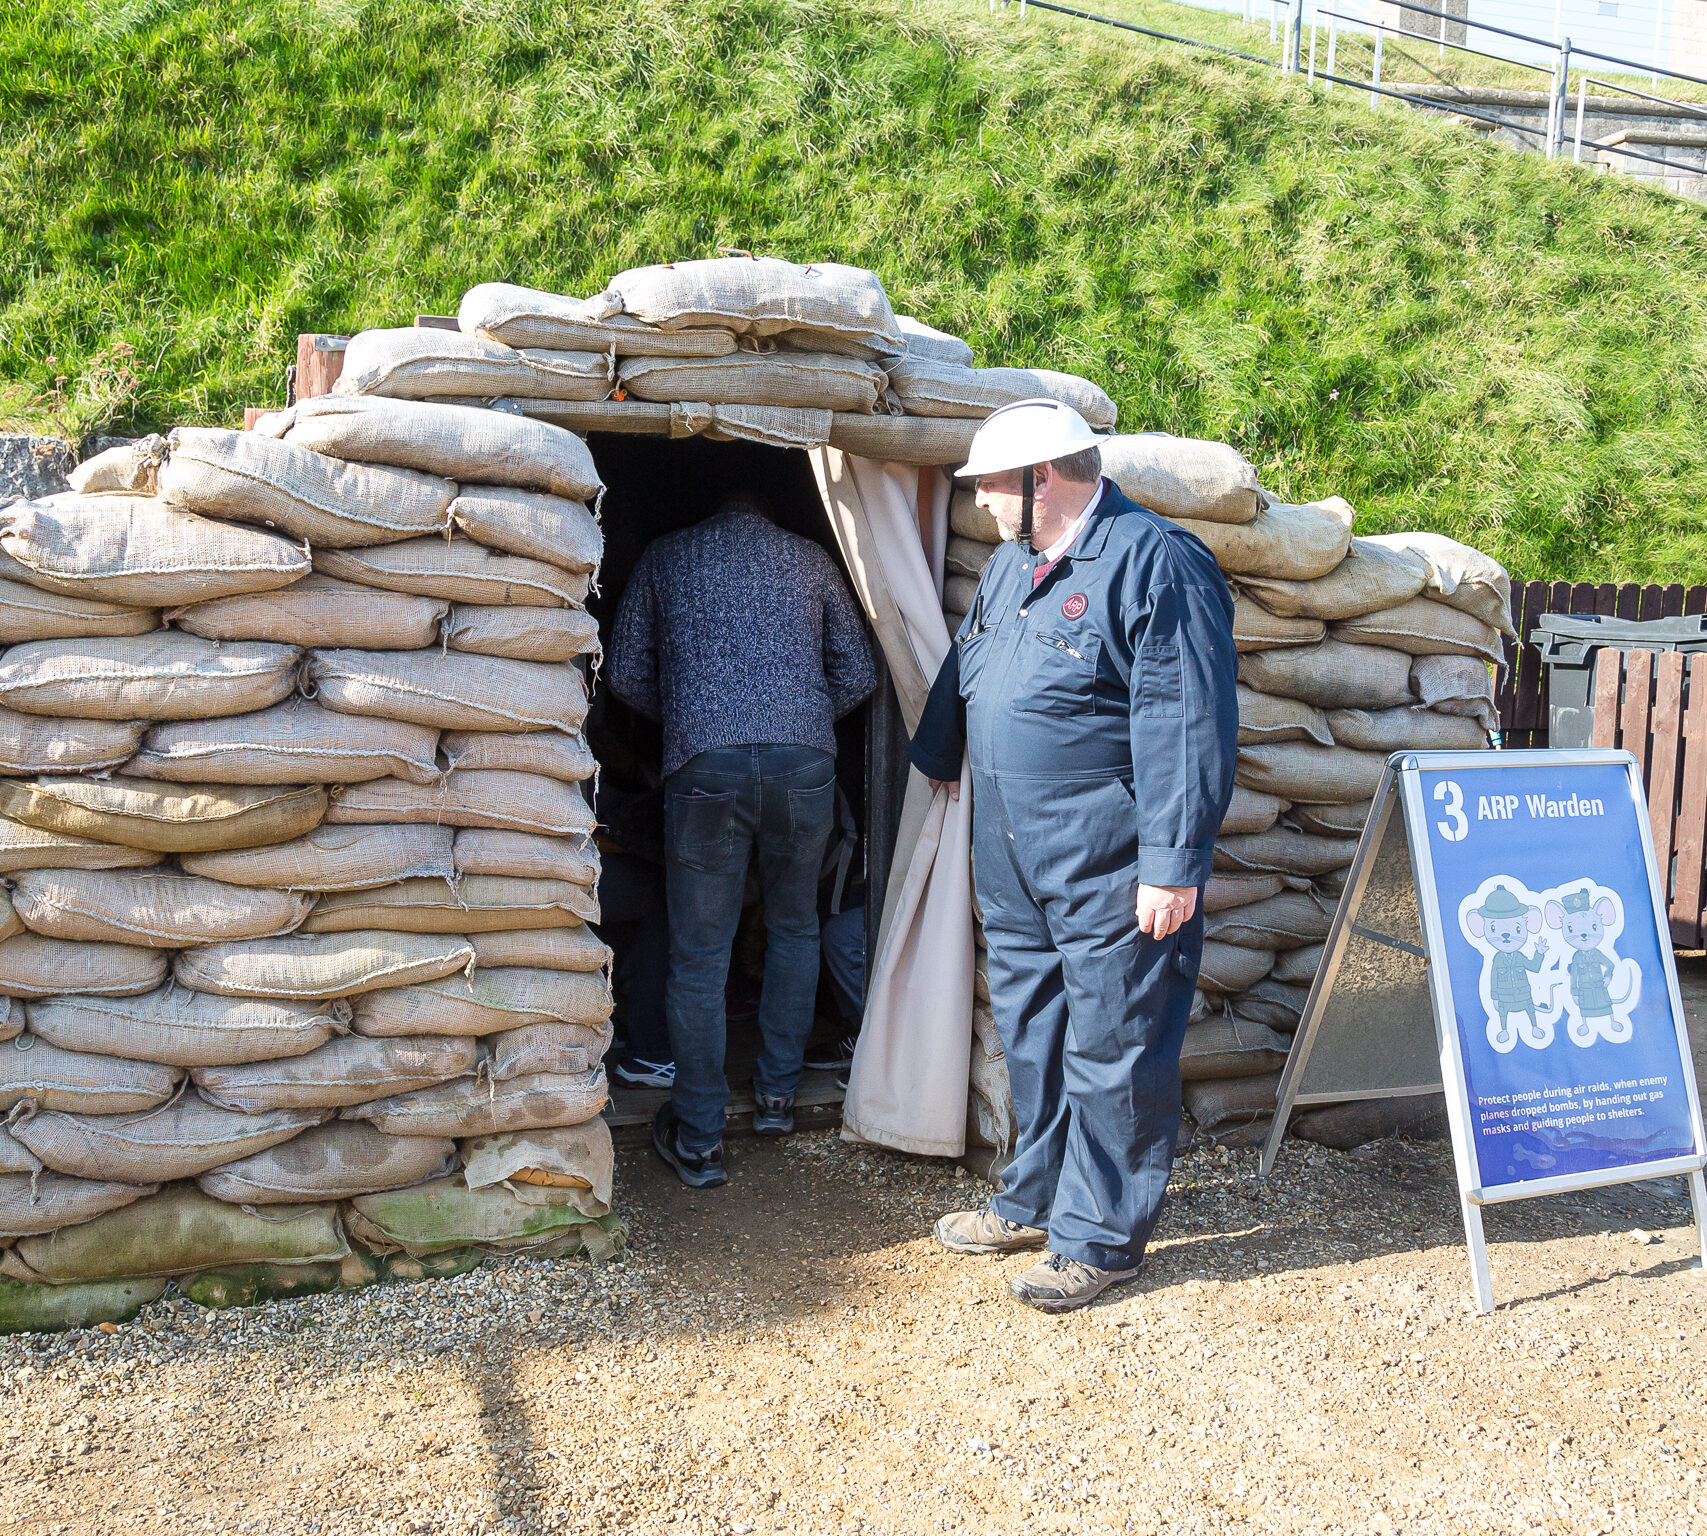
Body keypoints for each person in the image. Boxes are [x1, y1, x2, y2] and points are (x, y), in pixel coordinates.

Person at [910, 399, 1238, 1312]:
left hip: (1108, 852)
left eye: (987, 489)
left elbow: (1183, 720)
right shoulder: (1016, 565)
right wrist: (940, 755)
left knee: (1115, 1040)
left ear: (1039, 480)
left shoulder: (1152, 562)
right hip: (1014, 850)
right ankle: (1034, 1196)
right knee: (1033, 1029)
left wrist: (1172, 864)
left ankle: (1100, 1238)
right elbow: (969, 663)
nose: (979, 506)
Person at [607, 490, 877, 1188]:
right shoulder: (811, 557)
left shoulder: (667, 555)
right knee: (794, 928)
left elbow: (625, 671)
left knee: (699, 955)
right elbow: (859, 672)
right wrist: (802, 716)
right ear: (767, 507)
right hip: (804, 764)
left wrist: (697, 720)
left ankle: (698, 1136)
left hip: (702, 766)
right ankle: (779, 1098)